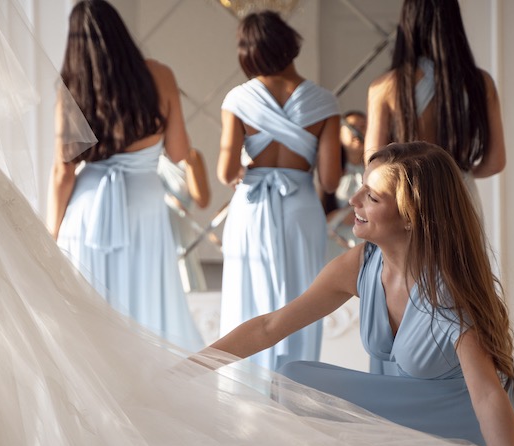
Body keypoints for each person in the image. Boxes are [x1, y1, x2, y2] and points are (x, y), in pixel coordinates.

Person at [0, 0, 497, 446]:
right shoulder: (181, 79)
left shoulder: (327, 92)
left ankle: (205, 391)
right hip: (229, 204)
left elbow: (74, 159)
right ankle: (321, 405)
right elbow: (320, 175)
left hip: (97, 200)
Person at [210, 141, 514, 446]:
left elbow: (488, 392)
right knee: (295, 381)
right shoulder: (362, 264)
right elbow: (270, 327)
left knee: (298, 382)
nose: (353, 200)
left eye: (371, 197)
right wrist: (192, 366)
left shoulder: (450, 293)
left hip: (460, 432)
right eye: (361, 186)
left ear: (411, 214)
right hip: (404, 420)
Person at [48, 0, 203, 351]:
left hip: (88, 210)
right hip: (144, 205)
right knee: (147, 306)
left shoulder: (71, 87)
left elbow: (63, 171)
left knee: (90, 316)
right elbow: (179, 153)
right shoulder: (160, 75)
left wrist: (51, 234)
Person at [216, 10, 342, 371]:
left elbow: (226, 172)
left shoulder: (239, 99)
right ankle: (297, 384)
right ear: (290, 44)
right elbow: (331, 181)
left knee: (246, 297)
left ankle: (244, 392)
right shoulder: (324, 102)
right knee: (304, 300)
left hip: (251, 207)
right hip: (301, 208)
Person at [365, 0, 506, 217]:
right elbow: (495, 162)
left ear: (408, 22)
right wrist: (457, 175)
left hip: (409, 201)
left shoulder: (385, 86)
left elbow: (374, 161)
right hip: (462, 199)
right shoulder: (480, 82)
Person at [157, 148, 211, 292]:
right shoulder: (140, 156)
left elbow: (203, 201)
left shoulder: (190, 156)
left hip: (181, 240)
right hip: (153, 240)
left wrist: (190, 162)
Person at [324, 110, 367, 256]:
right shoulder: (330, 172)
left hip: (366, 242)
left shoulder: (375, 171)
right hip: (336, 245)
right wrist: (341, 217)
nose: (357, 131)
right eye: (352, 126)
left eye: (363, 126)